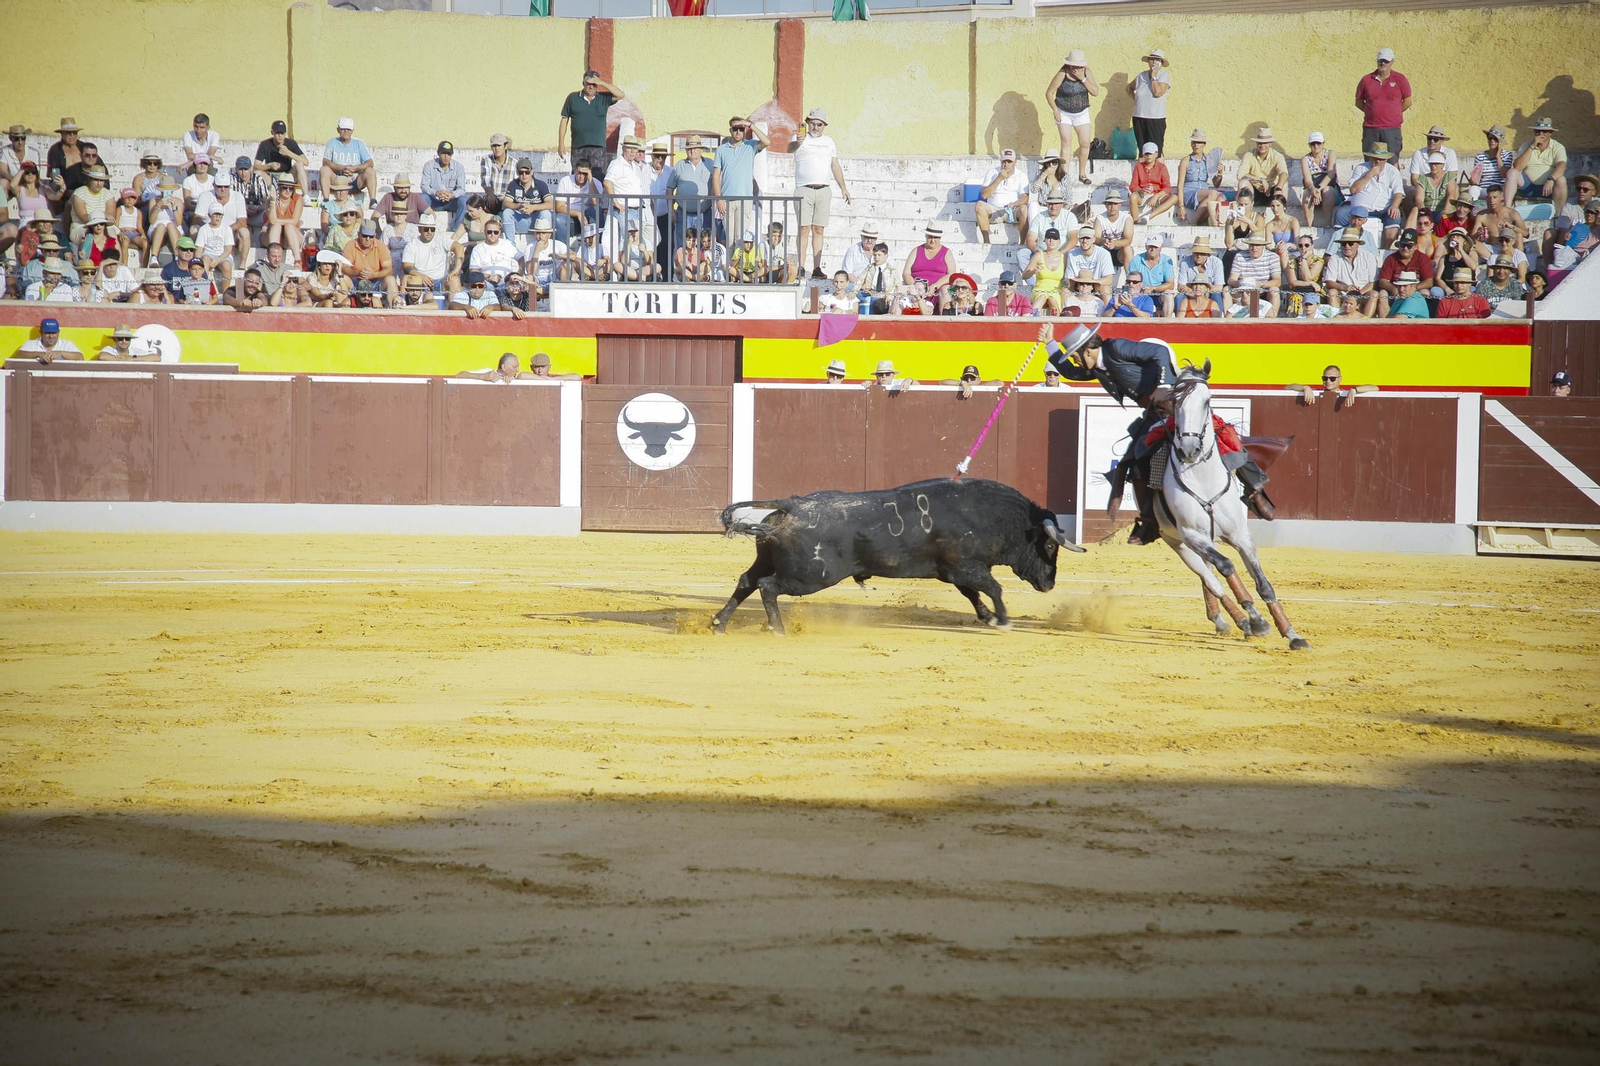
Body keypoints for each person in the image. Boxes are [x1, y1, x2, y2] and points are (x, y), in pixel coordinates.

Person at [1043, 321, 1270, 540]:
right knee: (1137, 459)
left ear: (1087, 351)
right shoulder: (1098, 368)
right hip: (1154, 412)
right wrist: (1049, 343)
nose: (1075, 361)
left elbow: (1159, 351)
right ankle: (1149, 522)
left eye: (1074, 355)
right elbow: (1072, 374)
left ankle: (1254, 491)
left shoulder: (1115, 347)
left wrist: (1162, 386)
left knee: (1222, 436)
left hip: (1176, 403)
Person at [787, 109, 850, 277]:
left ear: (824, 126)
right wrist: (798, 143)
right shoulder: (800, 138)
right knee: (803, 228)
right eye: (812, 123)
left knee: (819, 229)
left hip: (823, 189)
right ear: (808, 124)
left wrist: (843, 187)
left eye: (819, 124)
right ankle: (801, 266)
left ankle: (816, 268)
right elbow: (789, 149)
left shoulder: (829, 142)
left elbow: (834, 164)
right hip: (804, 188)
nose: (815, 127)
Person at [712, 116, 768, 250]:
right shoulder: (721, 149)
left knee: (740, 239)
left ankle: (738, 270)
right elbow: (715, 176)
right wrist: (718, 199)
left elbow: (766, 141)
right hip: (727, 201)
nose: (738, 132)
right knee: (730, 240)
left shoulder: (750, 146)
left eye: (741, 129)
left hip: (745, 200)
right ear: (730, 130)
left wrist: (751, 125)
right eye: (735, 129)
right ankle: (729, 271)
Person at [1046, 49, 1099, 186]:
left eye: (1079, 66)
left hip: (1081, 112)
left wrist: (1083, 79)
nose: (1076, 68)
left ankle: (1082, 173)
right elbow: (1049, 93)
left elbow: (1095, 92)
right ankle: (1064, 175)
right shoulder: (1063, 73)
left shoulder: (1087, 72)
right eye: (1074, 66)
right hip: (1064, 112)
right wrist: (1055, 110)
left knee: (1085, 142)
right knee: (1066, 141)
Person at [557, 70, 625, 174]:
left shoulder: (603, 98)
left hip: (598, 147)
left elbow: (620, 95)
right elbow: (564, 119)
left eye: (594, 84)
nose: (591, 87)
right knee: (578, 178)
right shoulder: (572, 98)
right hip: (578, 146)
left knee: (597, 179)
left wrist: (602, 82)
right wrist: (561, 144)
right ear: (583, 83)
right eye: (588, 84)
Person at [1336, 142, 1405, 245]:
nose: (1377, 161)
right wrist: (1369, 174)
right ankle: (1339, 245)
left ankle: (1385, 251)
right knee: (1341, 214)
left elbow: (1398, 192)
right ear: (1370, 158)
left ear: (1386, 159)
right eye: (1375, 158)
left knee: (1394, 217)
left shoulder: (1393, 171)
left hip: (1384, 208)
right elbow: (1354, 189)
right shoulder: (1361, 168)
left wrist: (1395, 205)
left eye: (1381, 159)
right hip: (1360, 208)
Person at [1355, 47, 1411, 156]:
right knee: (1370, 162)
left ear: (1392, 62)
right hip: (1371, 129)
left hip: (1392, 129)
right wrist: (1372, 112)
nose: (1383, 63)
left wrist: (1394, 113)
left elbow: (1408, 101)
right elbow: (1359, 102)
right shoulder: (1366, 80)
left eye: (1386, 61)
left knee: (1392, 162)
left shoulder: (1400, 79)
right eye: (1381, 61)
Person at [1506, 117, 1568, 215]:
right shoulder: (1526, 145)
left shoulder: (1557, 147)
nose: (1541, 134)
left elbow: (1562, 166)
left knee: (1561, 179)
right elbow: (1517, 167)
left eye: (1544, 131)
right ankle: (1507, 210)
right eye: (1538, 131)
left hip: (1548, 188)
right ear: (1534, 132)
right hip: (1527, 186)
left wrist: (1551, 178)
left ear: (1550, 133)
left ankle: (1559, 215)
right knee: (1511, 172)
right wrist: (1532, 146)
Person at [975, 149, 1030, 245]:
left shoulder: (1021, 175)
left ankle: (1022, 244)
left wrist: (1015, 204)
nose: (1006, 164)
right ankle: (986, 241)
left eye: (1009, 161)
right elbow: (984, 195)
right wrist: (999, 178)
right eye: (1004, 161)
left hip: (1013, 209)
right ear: (1000, 161)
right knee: (979, 205)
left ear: (1015, 162)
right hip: (994, 208)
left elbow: (1025, 198)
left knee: (1024, 209)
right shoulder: (992, 173)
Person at [1321, 227, 1379, 316]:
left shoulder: (1369, 257)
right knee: (1332, 292)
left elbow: (1374, 282)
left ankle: (1365, 323)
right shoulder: (1334, 258)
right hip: (1342, 294)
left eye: (1350, 243)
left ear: (1357, 244)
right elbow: (1329, 282)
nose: (1347, 246)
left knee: (1374, 294)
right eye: (1344, 244)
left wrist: (1358, 294)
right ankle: (1337, 322)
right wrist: (1345, 288)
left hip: (1362, 293)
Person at [1175, 129, 1225, 227]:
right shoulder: (1186, 160)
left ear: (1204, 144)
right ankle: (1193, 222)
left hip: (1204, 193)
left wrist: (1219, 173)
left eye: (1199, 142)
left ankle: (1200, 222)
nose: (1196, 145)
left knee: (1220, 200)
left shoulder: (1209, 159)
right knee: (1213, 193)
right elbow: (1180, 185)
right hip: (1189, 192)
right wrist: (1181, 206)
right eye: (1194, 142)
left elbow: (1216, 183)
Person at [1377, 228, 1437, 307]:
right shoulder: (1391, 259)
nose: (1405, 248)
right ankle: (1386, 319)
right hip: (1396, 291)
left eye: (1409, 246)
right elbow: (1383, 281)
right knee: (1382, 294)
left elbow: (1429, 281)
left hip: (1416, 290)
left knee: (1425, 293)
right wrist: (1394, 289)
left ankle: (1421, 318)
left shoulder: (1423, 258)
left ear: (1415, 247)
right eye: (1403, 245)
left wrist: (1413, 288)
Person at [321, 118, 377, 202]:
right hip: (337, 180)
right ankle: (326, 199)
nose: (346, 131)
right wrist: (340, 168)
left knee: (371, 171)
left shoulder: (359, 143)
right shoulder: (332, 142)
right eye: (343, 129)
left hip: (355, 180)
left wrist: (354, 168)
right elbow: (325, 161)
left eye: (348, 129)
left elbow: (370, 163)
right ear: (338, 130)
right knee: (324, 170)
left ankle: (373, 200)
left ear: (352, 131)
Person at [343, 219, 396, 307]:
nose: (368, 239)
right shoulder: (350, 245)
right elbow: (344, 268)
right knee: (343, 278)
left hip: (375, 282)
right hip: (356, 281)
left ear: (375, 235)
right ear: (359, 234)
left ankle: (394, 309)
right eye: (365, 235)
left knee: (390, 279)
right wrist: (357, 273)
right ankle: (342, 306)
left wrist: (374, 275)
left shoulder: (381, 246)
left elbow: (388, 269)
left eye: (371, 236)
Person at [1127, 49, 1171, 155]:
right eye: (1151, 60)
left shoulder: (1164, 76)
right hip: (1139, 116)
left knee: (1156, 151)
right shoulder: (1141, 76)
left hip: (1156, 117)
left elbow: (1157, 92)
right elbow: (1129, 88)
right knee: (1143, 151)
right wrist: (1137, 100)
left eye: (1157, 60)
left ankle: (1159, 171)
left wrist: (1154, 76)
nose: (1153, 63)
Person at [1229, 236, 1281, 317]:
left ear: (1263, 246)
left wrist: (1261, 284)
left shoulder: (1272, 256)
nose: (1254, 248)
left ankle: (1273, 319)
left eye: (1257, 245)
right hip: (1243, 290)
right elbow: (1231, 280)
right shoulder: (1239, 256)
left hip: (1263, 290)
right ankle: (1227, 321)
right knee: (1226, 290)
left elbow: (1278, 281)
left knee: (1274, 290)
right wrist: (1243, 285)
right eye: (1251, 245)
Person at [422, 140, 468, 233]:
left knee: (464, 200)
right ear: (438, 153)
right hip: (434, 200)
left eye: (448, 154)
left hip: (451, 201)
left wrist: (451, 194)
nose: (446, 156)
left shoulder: (459, 167)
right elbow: (424, 186)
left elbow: (462, 189)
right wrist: (436, 192)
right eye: (443, 153)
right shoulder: (429, 165)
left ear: (452, 154)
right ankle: (425, 227)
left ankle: (456, 230)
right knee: (422, 198)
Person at [1300, 132, 1343, 227]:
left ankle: (1328, 225)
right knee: (1306, 193)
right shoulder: (1305, 159)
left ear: (1323, 143)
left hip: (1329, 191)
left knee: (1327, 190)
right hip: (1315, 191)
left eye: (1318, 143)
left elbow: (1331, 174)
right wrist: (1313, 190)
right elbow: (1307, 180)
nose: (1316, 146)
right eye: (1313, 143)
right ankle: (1309, 226)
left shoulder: (1330, 154)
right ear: (1309, 145)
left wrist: (1318, 189)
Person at [554, 162, 602, 247]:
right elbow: (559, 207)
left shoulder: (595, 183)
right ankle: (563, 252)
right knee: (558, 219)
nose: (581, 176)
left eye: (584, 173)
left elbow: (595, 202)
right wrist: (578, 214)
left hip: (588, 219)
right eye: (579, 173)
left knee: (596, 210)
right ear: (575, 171)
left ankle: (596, 248)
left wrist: (590, 179)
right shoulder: (565, 181)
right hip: (570, 218)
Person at [902, 222, 954, 296]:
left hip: (938, 290)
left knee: (946, 291)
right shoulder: (916, 250)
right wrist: (917, 287)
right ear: (926, 236)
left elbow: (951, 274)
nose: (932, 240)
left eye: (935, 237)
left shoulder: (946, 252)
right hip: (916, 290)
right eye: (930, 237)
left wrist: (935, 286)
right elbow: (906, 273)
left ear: (940, 238)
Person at [1177, 236, 1225, 314]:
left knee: (1217, 295)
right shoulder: (1184, 262)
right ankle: (1178, 322)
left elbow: (1219, 287)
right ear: (1192, 252)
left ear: (1208, 254)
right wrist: (1193, 292)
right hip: (1191, 293)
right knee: (1179, 297)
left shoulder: (1216, 262)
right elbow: (1181, 286)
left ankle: (1218, 321)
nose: (1199, 256)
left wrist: (1202, 292)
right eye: (1196, 253)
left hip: (1209, 293)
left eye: (1202, 254)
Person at [255, 119, 308, 189]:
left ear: (285, 133)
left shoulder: (291, 143)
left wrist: (288, 153)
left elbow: (306, 162)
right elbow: (256, 166)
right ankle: (260, 196)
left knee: (299, 164)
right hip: (270, 176)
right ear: (272, 132)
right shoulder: (265, 144)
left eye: (282, 133)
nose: (280, 136)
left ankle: (306, 196)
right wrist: (269, 166)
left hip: (287, 176)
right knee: (257, 173)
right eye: (277, 133)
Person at [1023, 230, 1067, 315]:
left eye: (1054, 238)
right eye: (1049, 238)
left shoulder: (1064, 258)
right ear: (1045, 241)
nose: (1051, 240)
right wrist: (1033, 271)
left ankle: (1056, 324)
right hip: (1039, 290)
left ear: (1059, 242)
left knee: (1053, 300)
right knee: (1041, 297)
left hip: (1056, 291)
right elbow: (1024, 276)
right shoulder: (1039, 255)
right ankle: (1032, 319)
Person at [1238, 128, 1289, 200]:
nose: (1262, 145)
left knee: (1284, 184)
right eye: (1260, 143)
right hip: (1254, 191)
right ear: (1256, 143)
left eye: (1265, 143)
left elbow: (1284, 173)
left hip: (1272, 190)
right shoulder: (1249, 155)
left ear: (1270, 143)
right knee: (1243, 183)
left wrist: (1278, 189)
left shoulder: (1277, 156)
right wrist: (1261, 180)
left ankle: (1281, 209)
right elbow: (1240, 175)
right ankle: (1244, 209)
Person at [1129, 143, 1174, 224]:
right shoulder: (1138, 167)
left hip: (1157, 195)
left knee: (1174, 197)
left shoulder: (1162, 167)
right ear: (1143, 155)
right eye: (1146, 153)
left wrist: (1156, 196)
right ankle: (1135, 222)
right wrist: (1141, 190)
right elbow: (1133, 186)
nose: (1148, 156)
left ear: (1156, 154)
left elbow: (1167, 187)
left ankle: (1149, 216)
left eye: (1150, 153)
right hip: (1142, 195)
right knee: (1132, 197)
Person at [1065, 225, 1115, 295]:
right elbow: (1069, 280)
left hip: (1097, 288)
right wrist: (1083, 285)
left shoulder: (1104, 254)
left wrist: (1090, 284)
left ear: (1094, 239)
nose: (1084, 241)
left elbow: (1109, 280)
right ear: (1079, 240)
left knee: (1105, 290)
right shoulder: (1071, 254)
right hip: (1079, 287)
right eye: (1082, 238)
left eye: (1088, 238)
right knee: (1065, 291)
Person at [1095, 189, 1134, 274]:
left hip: (1120, 253)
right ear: (1105, 205)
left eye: (1115, 204)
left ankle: (1130, 278)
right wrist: (1103, 241)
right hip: (1104, 251)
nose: (1112, 207)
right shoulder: (1100, 218)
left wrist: (1114, 243)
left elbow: (1128, 240)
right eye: (1110, 204)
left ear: (1120, 205)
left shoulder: (1126, 218)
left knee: (1128, 248)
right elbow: (1096, 239)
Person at [13, 317, 82, 362]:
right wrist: (39, 354)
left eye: (54, 333)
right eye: (47, 333)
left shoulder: (66, 344)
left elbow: (80, 357)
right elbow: (19, 354)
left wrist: (61, 353)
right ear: (41, 332)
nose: (51, 336)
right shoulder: (32, 343)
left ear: (58, 332)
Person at [854, 241, 896, 313]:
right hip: (871, 294)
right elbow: (860, 279)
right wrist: (854, 291)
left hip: (885, 296)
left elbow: (895, 284)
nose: (876, 258)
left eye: (879, 255)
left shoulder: (891, 270)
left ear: (886, 256)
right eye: (875, 255)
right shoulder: (870, 268)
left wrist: (890, 295)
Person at [458, 352, 532, 383]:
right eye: (514, 367)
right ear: (503, 367)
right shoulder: (488, 372)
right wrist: (482, 376)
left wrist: (514, 382)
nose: (517, 370)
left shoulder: (515, 379)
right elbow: (459, 375)